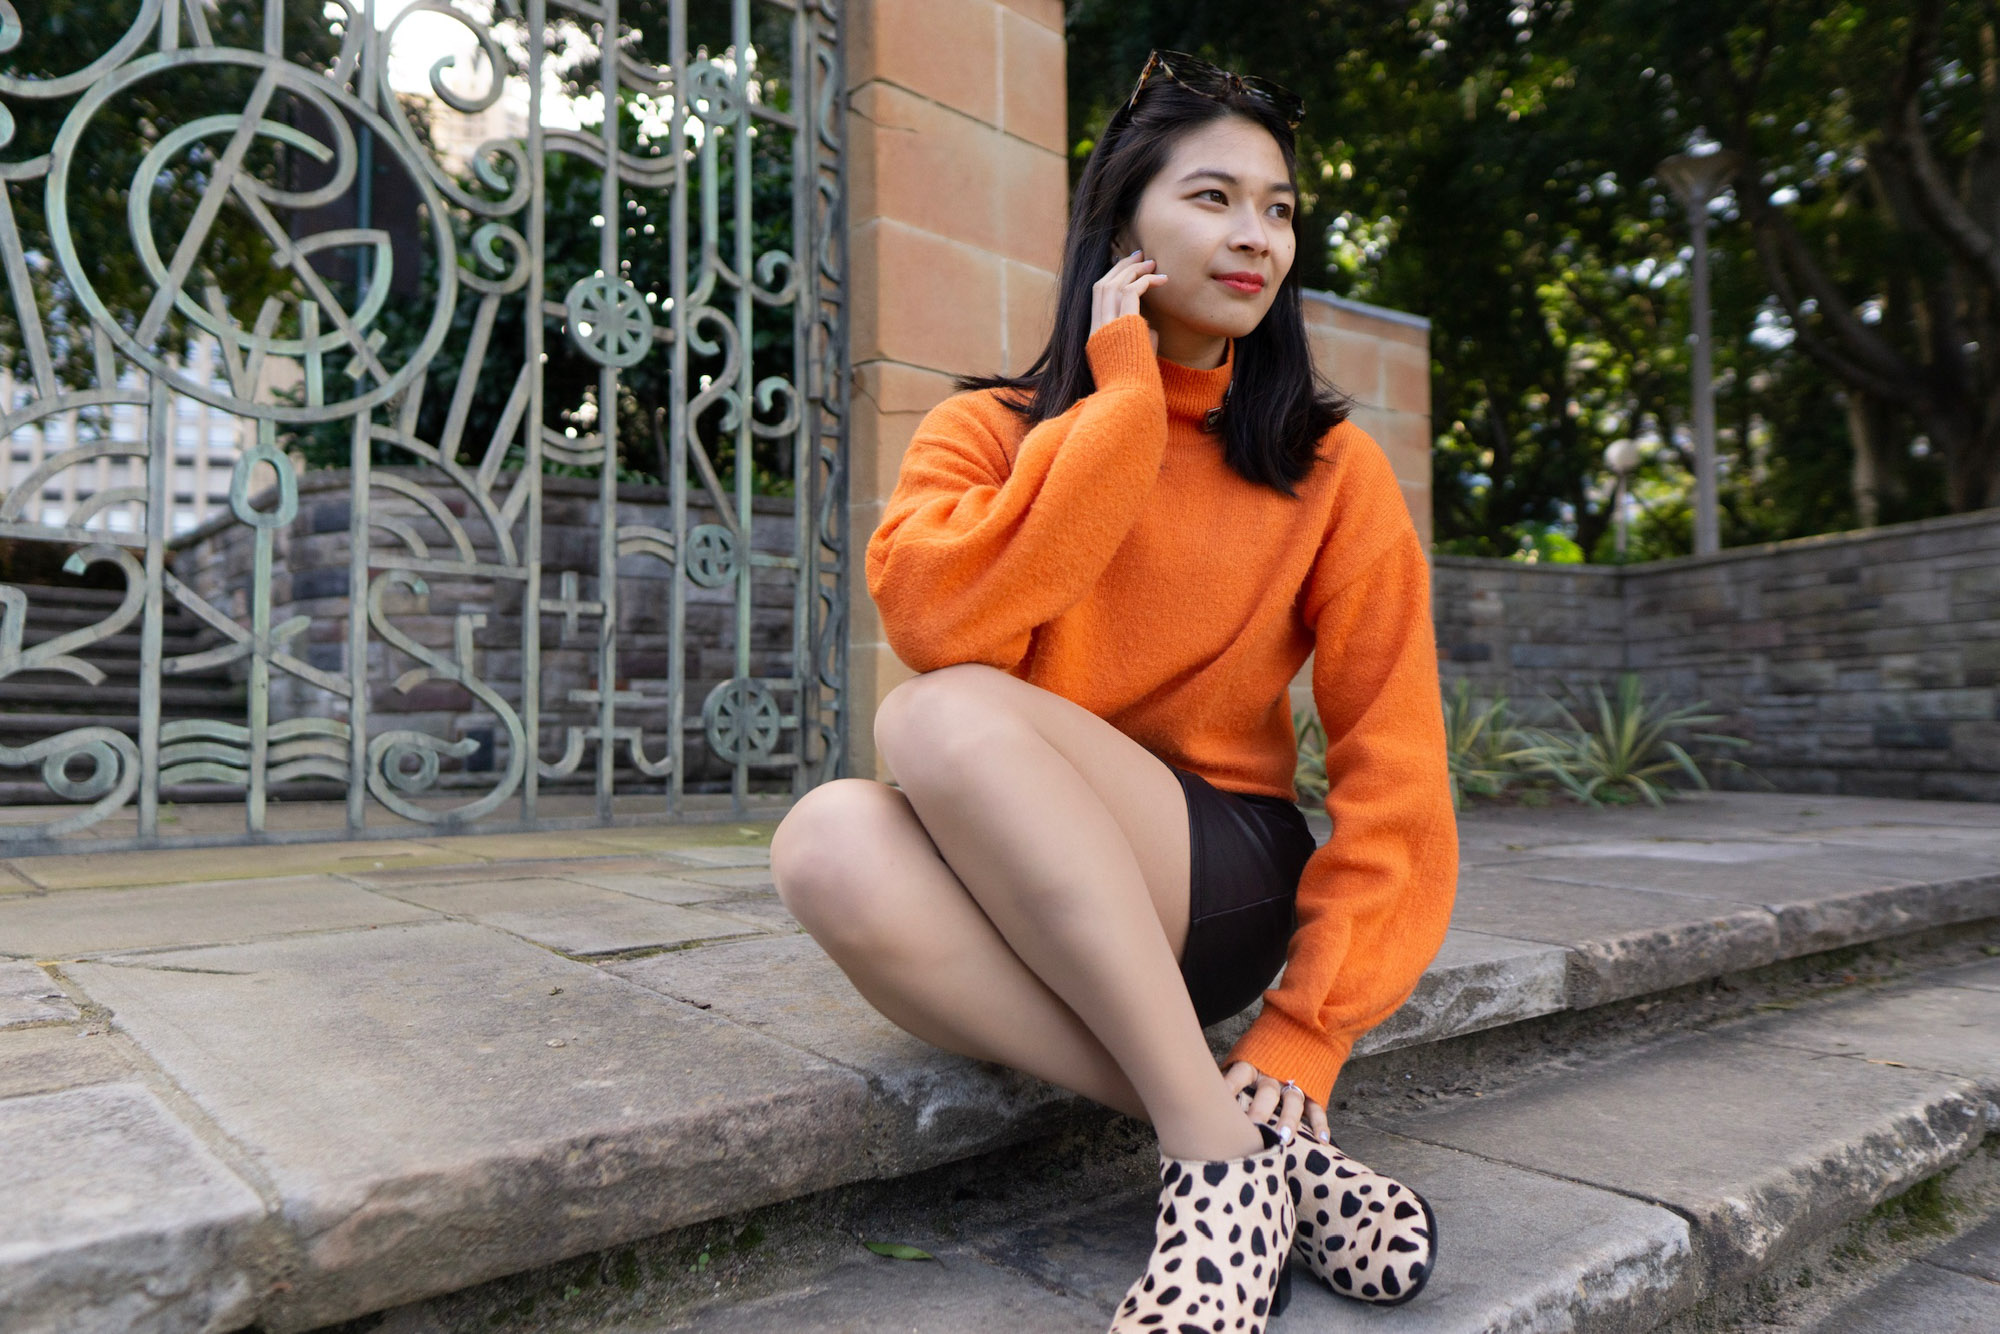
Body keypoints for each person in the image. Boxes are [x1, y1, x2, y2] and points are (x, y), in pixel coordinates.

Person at [769, 49, 1457, 1332]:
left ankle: (1210, 1166)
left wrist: (1307, 1024)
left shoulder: (1327, 466)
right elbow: (936, 617)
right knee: (823, 840)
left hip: (1215, 867)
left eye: (1278, 207)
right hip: (1032, 874)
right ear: (1120, 223)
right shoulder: (984, 429)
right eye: (1211, 197)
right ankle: (1239, 1147)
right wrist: (1122, 396)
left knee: (928, 718)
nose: (1254, 236)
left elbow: (1396, 764)